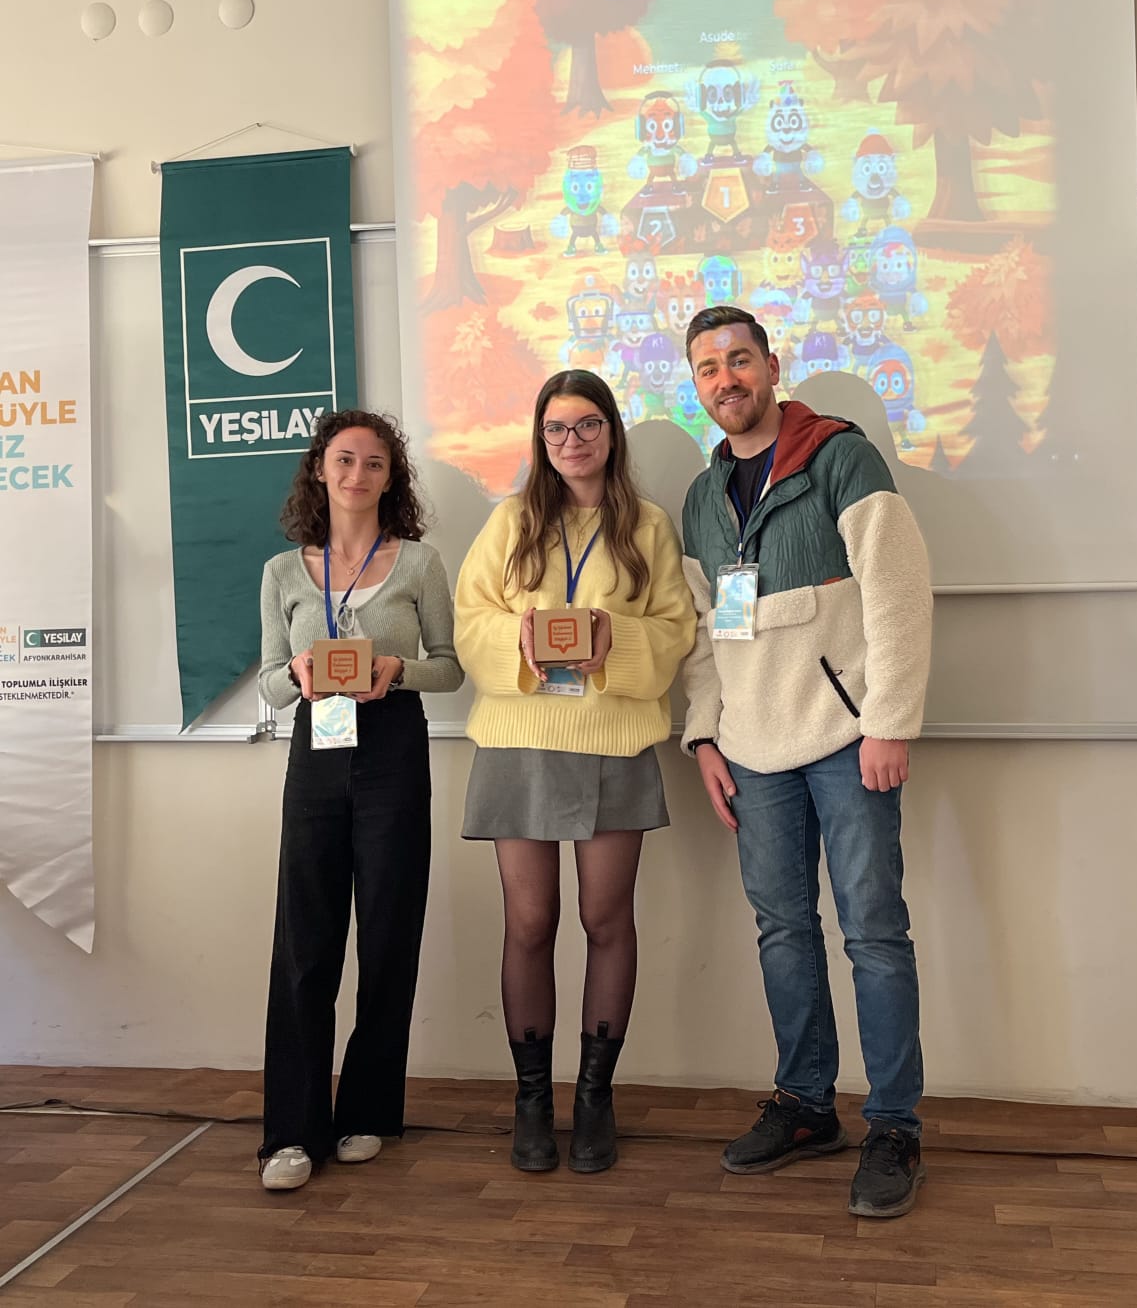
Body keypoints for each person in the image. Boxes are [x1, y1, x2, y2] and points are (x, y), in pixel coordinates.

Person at [677, 305, 934, 1218]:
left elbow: (898, 594)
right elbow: (704, 632)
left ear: (771, 366)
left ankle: (893, 1126)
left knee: (873, 932)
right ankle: (805, 1105)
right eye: (708, 368)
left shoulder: (841, 458)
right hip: (752, 750)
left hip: (845, 739)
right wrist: (704, 736)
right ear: (697, 385)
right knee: (782, 931)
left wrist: (889, 722)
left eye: (739, 360)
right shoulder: (702, 497)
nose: (726, 379)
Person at [454, 368, 695, 1174]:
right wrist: (520, 640)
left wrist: (612, 642)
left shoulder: (648, 526)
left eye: (587, 424)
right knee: (528, 924)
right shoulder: (510, 520)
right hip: (519, 741)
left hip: (613, 742)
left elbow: (676, 630)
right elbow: (470, 622)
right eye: (555, 428)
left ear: (610, 432)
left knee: (605, 921)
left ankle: (595, 1098)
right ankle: (531, 1101)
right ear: (540, 439)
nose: (572, 441)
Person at [256, 409, 464, 1191]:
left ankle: (368, 1111)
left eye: (374, 463)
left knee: (386, 934)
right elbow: (270, 682)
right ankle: (292, 1131)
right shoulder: (283, 572)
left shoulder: (419, 563)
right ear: (320, 469)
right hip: (316, 745)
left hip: (392, 746)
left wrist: (395, 671)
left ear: (390, 478)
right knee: (304, 940)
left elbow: (451, 666)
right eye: (344, 460)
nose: (357, 474)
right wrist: (299, 675)